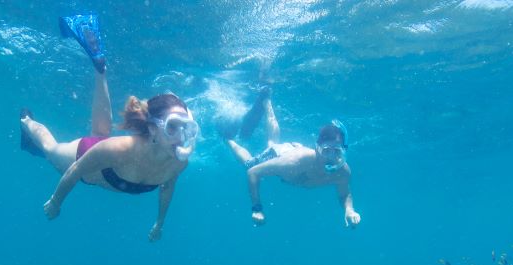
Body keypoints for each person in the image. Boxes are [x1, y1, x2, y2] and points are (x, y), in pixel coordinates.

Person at [19, 13, 198, 241]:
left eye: (188, 128)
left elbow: (167, 188)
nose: (181, 137)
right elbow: (75, 171)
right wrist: (55, 202)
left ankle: (99, 65)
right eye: (173, 127)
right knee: (51, 150)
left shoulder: (178, 164)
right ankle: (26, 121)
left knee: (100, 135)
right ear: (153, 128)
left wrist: (159, 223)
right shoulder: (119, 149)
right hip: (86, 155)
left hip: (104, 156)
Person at [222, 88, 360, 228]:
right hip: (279, 154)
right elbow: (253, 173)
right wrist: (257, 209)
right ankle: (228, 139)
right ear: (317, 148)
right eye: (326, 151)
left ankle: (266, 101)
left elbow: (345, 193)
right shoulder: (293, 163)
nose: (331, 157)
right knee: (251, 163)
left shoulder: (342, 171)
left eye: (336, 151)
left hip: (293, 151)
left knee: (272, 141)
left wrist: (349, 210)